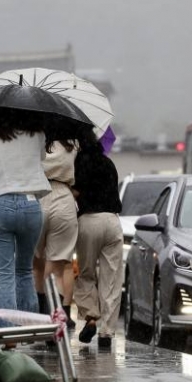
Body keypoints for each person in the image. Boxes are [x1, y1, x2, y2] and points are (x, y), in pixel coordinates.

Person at [0, 113, 52, 326]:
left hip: (1, 205)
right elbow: (40, 159)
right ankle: (29, 327)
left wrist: (1, 186)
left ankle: (8, 332)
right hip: (30, 205)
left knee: (5, 273)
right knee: (25, 269)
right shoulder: (37, 136)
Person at [71, 128, 123, 349]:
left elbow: (75, 193)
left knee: (86, 273)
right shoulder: (108, 164)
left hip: (88, 221)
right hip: (112, 221)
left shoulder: (78, 163)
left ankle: (91, 317)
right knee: (111, 279)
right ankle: (107, 333)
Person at [32, 140, 78, 329]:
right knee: (57, 271)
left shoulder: (33, 139)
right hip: (64, 198)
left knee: (35, 265)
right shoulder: (72, 142)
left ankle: (39, 315)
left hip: (35, 196)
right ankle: (55, 319)